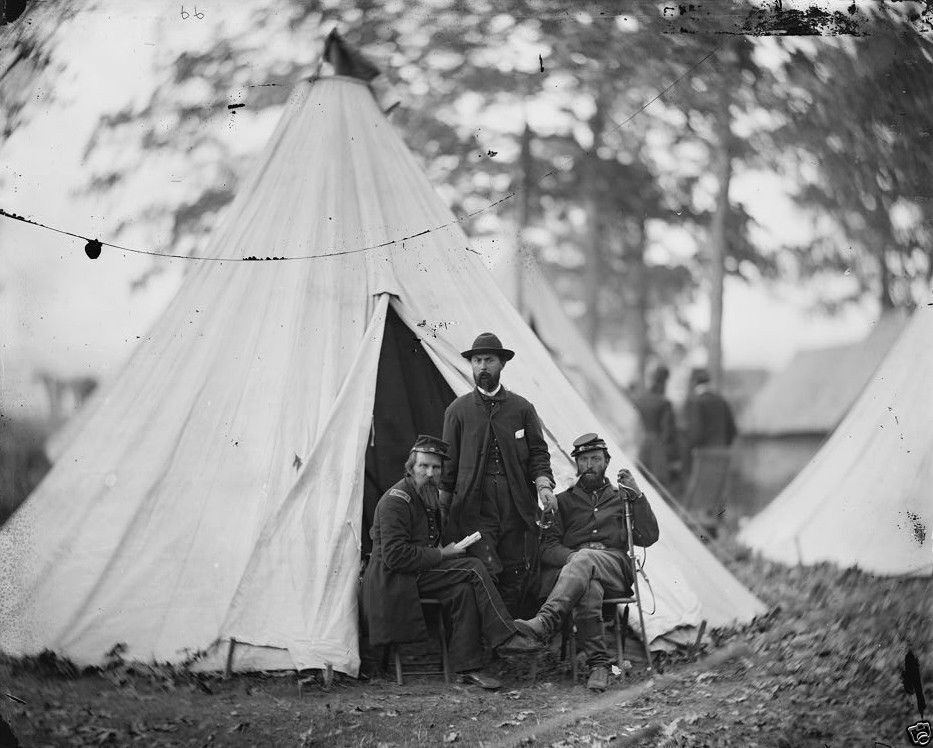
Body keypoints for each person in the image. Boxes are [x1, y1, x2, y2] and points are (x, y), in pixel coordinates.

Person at [362, 435, 541, 690]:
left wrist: (447, 550)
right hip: (394, 580)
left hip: (415, 574)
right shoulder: (397, 500)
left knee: (464, 589)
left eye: (436, 468)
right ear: (411, 467)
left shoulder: (427, 496)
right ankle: (505, 636)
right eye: (424, 466)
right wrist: (442, 555)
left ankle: (468, 669)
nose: (430, 472)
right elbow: (394, 556)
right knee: (473, 568)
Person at [514, 433, 659, 692]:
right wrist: (575, 559)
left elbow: (648, 537)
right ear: (576, 465)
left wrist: (637, 495)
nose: (590, 465)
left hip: (615, 568)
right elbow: (546, 548)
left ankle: (546, 621)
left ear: (606, 462)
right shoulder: (563, 501)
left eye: (596, 459)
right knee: (589, 587)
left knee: (585, 560)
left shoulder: (622, 497)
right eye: (584, 460)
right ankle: (599, 665)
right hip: (580, 574)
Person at [439, 332, 557, 616]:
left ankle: (509, 643)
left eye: (488, 360)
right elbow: (448, 466)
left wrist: (543, 486)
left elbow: (539, 454)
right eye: (477, 361)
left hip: (516, 505)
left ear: (502, 364)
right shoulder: (458, 411)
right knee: (487, 569)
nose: (482, 367)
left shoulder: (522, 409)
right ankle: (493, 641)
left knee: (516, 570)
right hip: (475, 509)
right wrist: (443, 508)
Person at [632, 364, 680, 487]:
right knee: (659, 484)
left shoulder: (640, 400)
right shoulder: (664, 403)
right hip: (657, 445)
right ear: (665, 381)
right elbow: (668, 430)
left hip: (641, 444)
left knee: (640, 480)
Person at [684, 367, 738, 454]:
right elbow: (732, 429)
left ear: (693, 382)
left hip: (703, 452)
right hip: (722, 451)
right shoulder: (722, 401)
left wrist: (690, 447)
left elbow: (697, 432)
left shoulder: (696, 402)